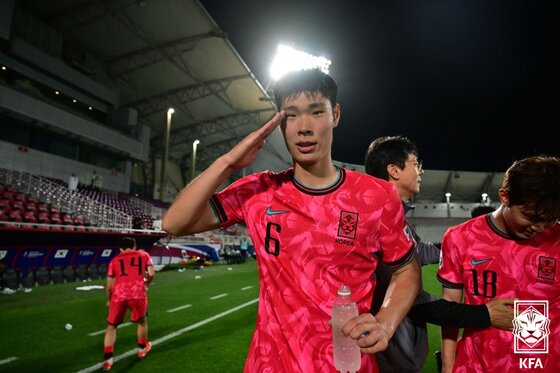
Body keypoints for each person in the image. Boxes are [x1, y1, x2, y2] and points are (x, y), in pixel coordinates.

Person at [163, 68, 420, 372]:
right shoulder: (258, 191)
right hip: (269, 364)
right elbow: (174, 224)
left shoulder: (375, 195)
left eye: (316, 112)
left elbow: (406, 270)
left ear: (335, 114)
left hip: (347, 364)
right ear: (279, 124)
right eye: (292, 116)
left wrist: (386, 322)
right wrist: (229, 162)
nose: (304, 128)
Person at [365, 136, 515, 372]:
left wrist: (464, 242)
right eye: (416, 164)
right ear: (394, 170)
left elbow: (420, 251)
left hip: (400, 351)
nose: (421, 171)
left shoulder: (394, 217)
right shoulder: (377, 221)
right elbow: (413, 301)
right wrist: (484, 314)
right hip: (388, 352)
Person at [438, 155, 560, 372]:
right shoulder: (460, 238)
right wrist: (448, 366)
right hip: (477, 364)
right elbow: (450, 309)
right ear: (504, 196)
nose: (539, 228)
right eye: (530, 217)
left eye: (549, 220)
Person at [102, 237, 155, 371]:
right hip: (137, 293)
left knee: (111, 327)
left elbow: (109, 285)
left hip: (119, 294)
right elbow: (151, 273)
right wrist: (147, 284)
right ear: (134, 246)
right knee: (142, 321)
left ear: (120, 249)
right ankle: (142, 349)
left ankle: (108, 360)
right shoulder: (144, 255)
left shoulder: (114, 261)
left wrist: (109, 299)